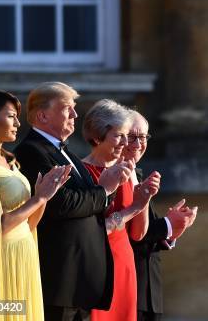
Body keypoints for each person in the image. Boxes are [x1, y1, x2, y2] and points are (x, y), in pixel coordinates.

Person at [14, 82, 131, 321]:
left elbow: (88, 202)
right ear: (43, 115)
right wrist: (105, 189)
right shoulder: (32, 151)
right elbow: (61, 205)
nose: (75, 114)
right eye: (67, 108)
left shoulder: (65, 151)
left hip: (80, 282)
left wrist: (105, 189)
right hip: (60, 279)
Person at [0, 89, 72, 320]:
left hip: (24, 254)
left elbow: (29, 224)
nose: (18, 123)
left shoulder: (10, 162)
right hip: (0, 264)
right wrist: (39, 198)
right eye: (11, 116)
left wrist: (44, 196)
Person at [81, 100, 160, 321]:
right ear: (98, 136)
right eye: (122, 136)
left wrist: (144, 198)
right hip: (97, 263)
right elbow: (90, 230)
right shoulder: (81, 171)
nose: (127, 143)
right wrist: (134, 207)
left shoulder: (127, 169)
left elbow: (137, 233)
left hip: (123, 263)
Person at [124, 110, 197, 321]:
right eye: (132, 136)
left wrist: (171, 231)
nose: (139, 144)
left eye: (143, 137)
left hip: (149, 291)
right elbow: (124, 231)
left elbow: (144, 230)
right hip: (126, 287)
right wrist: (167, 224)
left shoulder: (137, 173)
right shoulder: (111, 175)